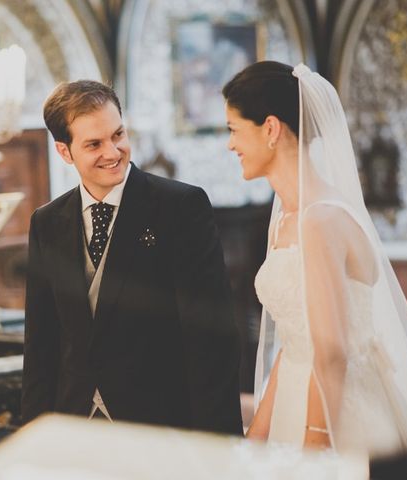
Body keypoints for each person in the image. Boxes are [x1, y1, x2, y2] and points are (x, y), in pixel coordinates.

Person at [222, 61, 407, 478]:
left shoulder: (321, 219)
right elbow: (295, 343)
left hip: (340, 414)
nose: (230, 144)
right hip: (296, 395)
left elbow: (331, 352)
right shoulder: (287, 221)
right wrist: (258, 432)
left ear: (271, 128)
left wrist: (316, 447)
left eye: (234, 129)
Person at [21, 80, 242, 435]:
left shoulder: (180, 207)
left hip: (163, 426)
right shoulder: (46, 223)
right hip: (75, 427)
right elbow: (40, 345)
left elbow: (210, 337)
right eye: (94, 144)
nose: (113, 152)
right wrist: (33, 441)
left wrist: (218, 446)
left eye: (118, 134)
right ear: (65, 151)